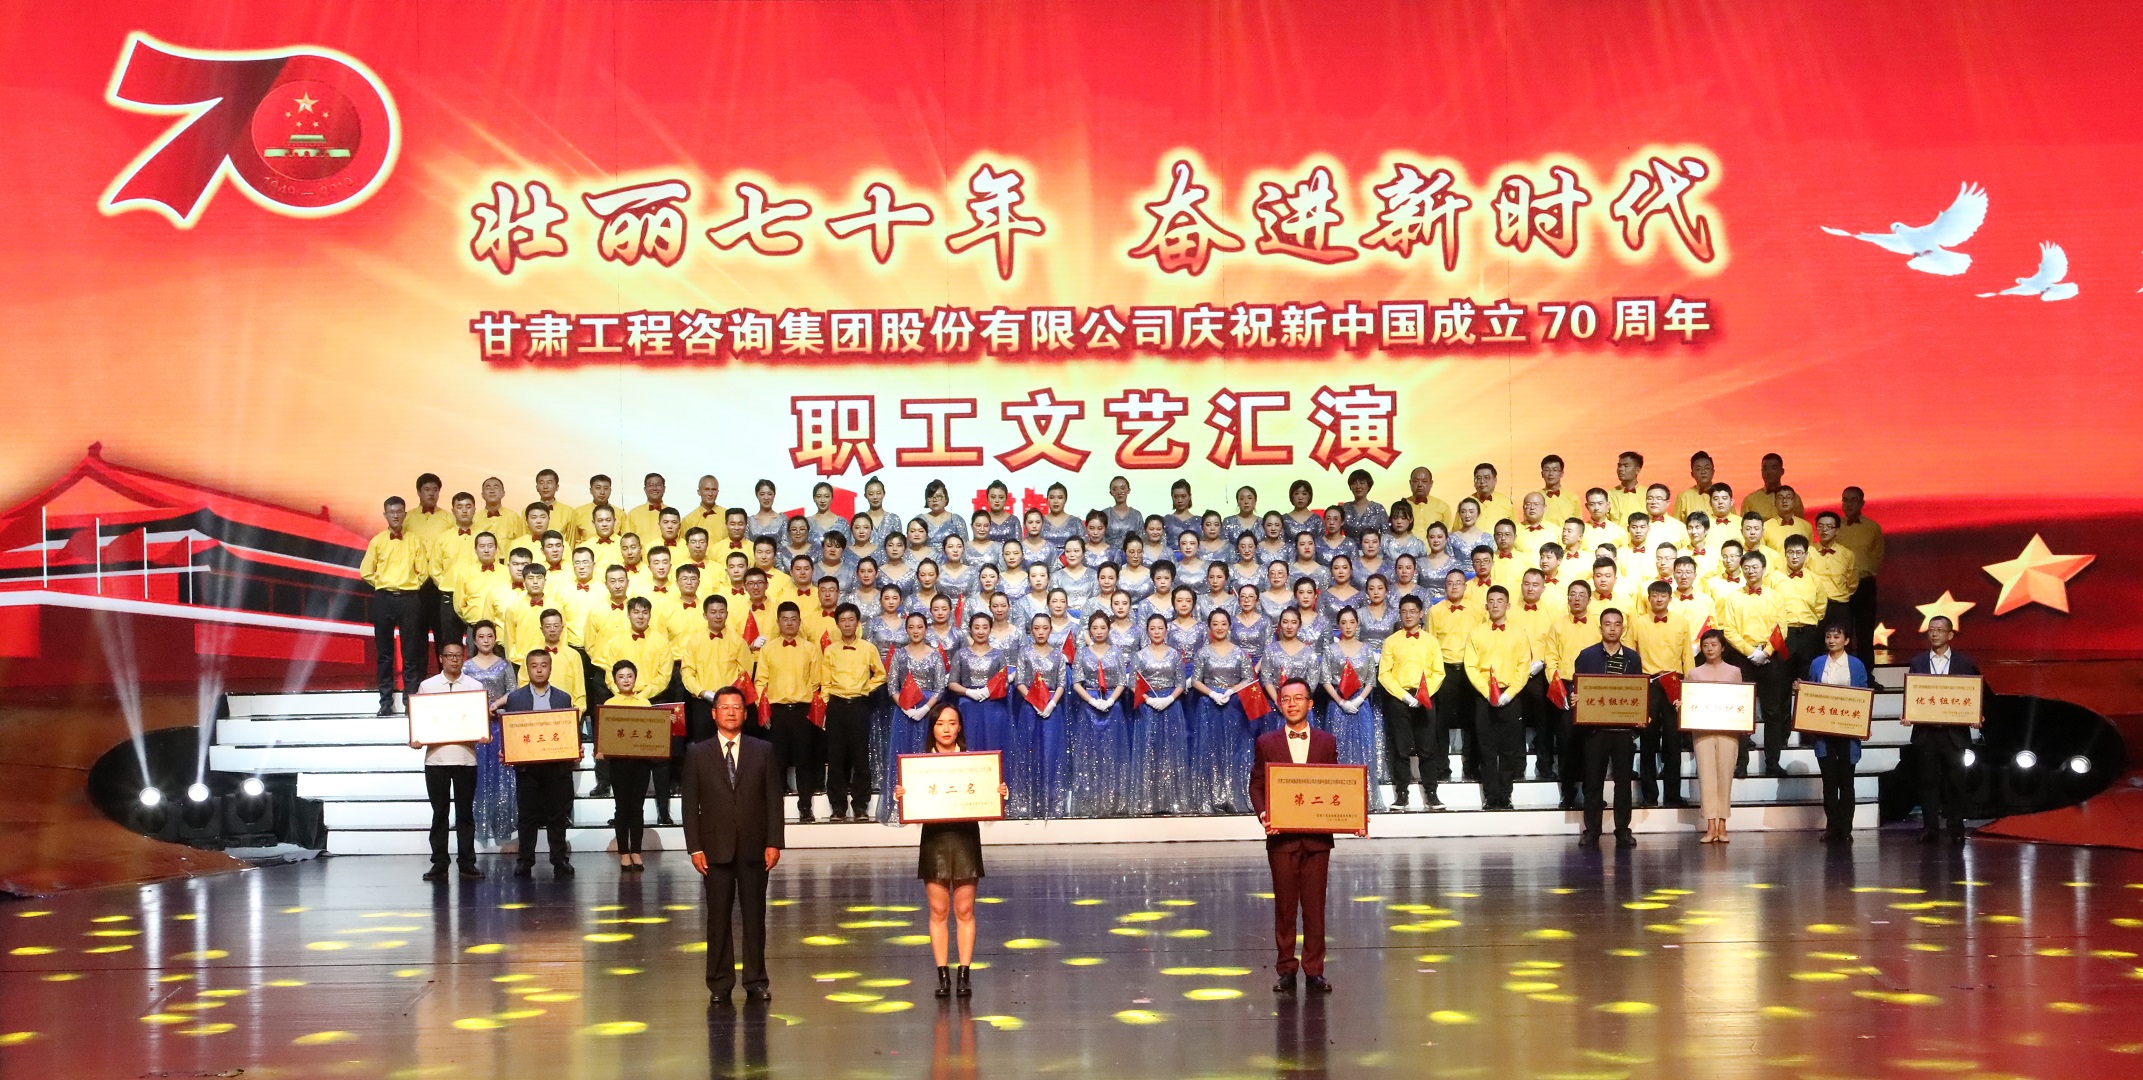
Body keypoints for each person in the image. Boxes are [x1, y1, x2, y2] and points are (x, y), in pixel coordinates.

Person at [894, 704, 1010, 1001]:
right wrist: (903, 798)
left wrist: (998, 794)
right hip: (935, 840)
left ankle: (964, 975)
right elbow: (913, 810)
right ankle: (943, 976)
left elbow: (986, 800)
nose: (946, 729)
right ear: (932, 728)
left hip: (965, 839)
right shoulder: (919, 767)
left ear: (960, 727)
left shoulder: (975, 764)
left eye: (952, 723)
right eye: (940, 723)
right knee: (938, 911)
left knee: (965, 910)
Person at [684, 686, 785, 1005]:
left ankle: (756, 980)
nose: (730, 712)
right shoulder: (697, 753)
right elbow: (690, 806)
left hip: (755, 847)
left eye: (736, 707)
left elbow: (774, 800)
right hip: (714, 849)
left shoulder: (763, 750)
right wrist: (694, 847)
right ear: (714, 713)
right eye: (724, 707)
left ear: (745, 713)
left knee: (755, 917)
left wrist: (774, 841)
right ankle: (719, 983)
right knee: (717, 919)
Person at [1251, 678, 1350, 995]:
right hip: (1282, 839)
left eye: (1298, 698)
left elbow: (1337, 785)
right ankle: (1286, 970)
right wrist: (1264, 814)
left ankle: (1314, 970)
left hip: (1317, 840)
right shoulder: (1266, 742)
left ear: (1310, 703)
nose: (1292, 704)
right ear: (1279, 704)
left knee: (1315, 908)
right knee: (1284, 908)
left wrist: (1353, 816)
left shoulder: (1326, 741)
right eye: (1286, 699)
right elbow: (1257, 785)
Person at [411, 642, 486, 881]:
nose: (454, 659)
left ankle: (467, 863)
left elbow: (479, 720)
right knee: (440, 813)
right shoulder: (428, 686)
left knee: (465, 813)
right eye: (449, 656)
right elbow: (420, 719)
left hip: (466, 759)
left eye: (458, 655)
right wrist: (417, 738)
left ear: (463, 658)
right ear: (441, 659)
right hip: (436, 760)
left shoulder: (474, 686)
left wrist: (483, 733)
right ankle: (440, 863)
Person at [500, 648, 577, 878]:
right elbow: (512, 733)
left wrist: (574, 748)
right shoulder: (516, 698)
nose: (539, 670)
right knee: (527, 817)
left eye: (544, 665)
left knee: (557, 817)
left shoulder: (563, 698)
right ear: (527, 669)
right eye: (534, 666)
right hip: (528, 769)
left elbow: (567, 732)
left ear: (550, 668)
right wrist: (508, 751)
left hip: (556, 768)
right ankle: (525, 861)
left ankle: (559, 860)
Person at [1572, 610, 1644, 847]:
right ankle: (1592, 830)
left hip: (1623, 732)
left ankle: (1622, 829)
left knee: (1623, 783)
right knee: (1593, 782)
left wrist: (1640, 714)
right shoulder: (1587, 655)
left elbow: (1637, 692)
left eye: (1617, 624)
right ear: (1600, 627)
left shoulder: (1633, 658)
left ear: (1623, 628)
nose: (1612, 628)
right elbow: (1579, 687)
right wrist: (1575, 698)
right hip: (1595, 731)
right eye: (1607, 624)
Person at [1907, 616, 1978, 845]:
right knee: (1927, 783)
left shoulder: (1964, 663)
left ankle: (1956, 827)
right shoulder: (1918, 662)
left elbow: (1973, 695)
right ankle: (1930, 828)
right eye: (1931, 629)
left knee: (1956, 783)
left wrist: (1977, 715)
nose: (1934, 633)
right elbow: (1913, 694)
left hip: (1953, 734)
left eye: (1939, 629)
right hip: (1926, 733)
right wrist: (1908, 713)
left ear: (1950, 635)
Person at [1463, 585, 1534, 810]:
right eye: (1491, 601)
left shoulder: (1519, 633)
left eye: (1500, 601)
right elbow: (1470, 666)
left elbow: (1523, 666)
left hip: (1510, 697)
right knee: (1486, 748)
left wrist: (1510, 693)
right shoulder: (1476, 633)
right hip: (1484, 697)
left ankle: (1505, 794)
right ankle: (1490, 796)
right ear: (1486, 605)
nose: (1495, 605)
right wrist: (1487, 693)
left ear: (1508, 605)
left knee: (1508, 748)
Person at [758, 601, 826, 821]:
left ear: (799, 621)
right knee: (776, 763)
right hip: (776, 712)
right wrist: (763, 711)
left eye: (793, 619)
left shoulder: (810, 649)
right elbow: (760, 682)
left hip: (802, 711)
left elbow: (816, 683)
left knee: (804, 762)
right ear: (778, 622)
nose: (789, 623)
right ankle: (774, 810)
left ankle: (805, 807)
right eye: (785, 619)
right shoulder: (768, 649)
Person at [361, 496, 428, 716]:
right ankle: (385, 701)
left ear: (405, 514)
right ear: (385, 515)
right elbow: (366, 572)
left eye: (399, 511)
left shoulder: (415, 541)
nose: (396, 515)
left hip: (409, 599)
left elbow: (423, 573)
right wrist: (384, 584)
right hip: (384, 599)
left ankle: (411, 701)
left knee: (411, 653)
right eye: (391, 512)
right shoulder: (377, 541)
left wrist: (409, 586)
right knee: (384, 654)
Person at [822, 603, 889, 822]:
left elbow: (881, 674)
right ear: (837, 624)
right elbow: (825, 682)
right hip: (836, 705)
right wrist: (826, 706)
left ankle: (861, 806)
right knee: (836, 758)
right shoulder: (830, 650)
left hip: (860, 705)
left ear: (858, 622)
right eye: (843, 620)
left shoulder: (868, 648)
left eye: (851, 619)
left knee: (860, 757)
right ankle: (838, 807)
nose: (847, 624)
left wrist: (865, 688)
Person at [1377, 595, 1444, 810]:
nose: (1408, 615)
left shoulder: (1431, 641)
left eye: (1413, 611)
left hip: (1425, 697)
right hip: (1400, 698)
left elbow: (1438, 672)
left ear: (1421, 613)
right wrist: (1404, 696)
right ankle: (1402, 794)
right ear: (1400, 613)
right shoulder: (1391, 641)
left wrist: (1424, 694)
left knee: (1427, 748)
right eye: (1404, 611)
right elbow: (1384, 673)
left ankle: (1431, 793)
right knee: (1401, 749)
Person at [1807, 621, 1869, 844]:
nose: (1831, 640)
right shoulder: (1817, 663)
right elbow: (1811, 692)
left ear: (1847, 640)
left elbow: (1863, 696)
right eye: (1828, 637)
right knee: (1829, 783)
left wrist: (1861, 724)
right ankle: (1832, 827)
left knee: (1846, 782)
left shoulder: (1856, 665)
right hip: (1824, 733)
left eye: (1836, 636)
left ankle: (1846, 829)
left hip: (1847, 733)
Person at [460, 621, 520, 850]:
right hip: (476, 729)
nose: (485, 640)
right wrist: (480, 708)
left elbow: (513, 691)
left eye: (490, 636)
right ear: (474, 640)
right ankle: (478, 825)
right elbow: (461, 694)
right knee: (478, 777)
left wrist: (495, 705)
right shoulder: (466, 667)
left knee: (502, 777)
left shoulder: (504, 665)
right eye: (481, 636)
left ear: (495, 639)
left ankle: (503, 824)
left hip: (498, 726)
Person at [598, 659, 658, 871]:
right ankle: (624, 852)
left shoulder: (645, 703)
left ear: (635, 678)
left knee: (637, 808)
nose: (625, 680)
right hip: (619, 764)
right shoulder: (609, 705)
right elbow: (605, 736)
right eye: (621, 677)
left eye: (629, 676)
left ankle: (637, 852)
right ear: (614, 680)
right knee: (622, 807)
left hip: (641, 763)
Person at [1686, 629, 1745, 843]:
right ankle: (1710, 825)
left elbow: (1742, 700)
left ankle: (1723, 824)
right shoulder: (1694, 673)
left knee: (1725, 775)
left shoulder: (1734, 672)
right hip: (1703, 731)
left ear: (1722, 647)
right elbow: (1690, 700)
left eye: (1713, 645)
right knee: (1706, 776)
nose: (1709, 649)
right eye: (1705, 645)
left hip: (1728, 731)